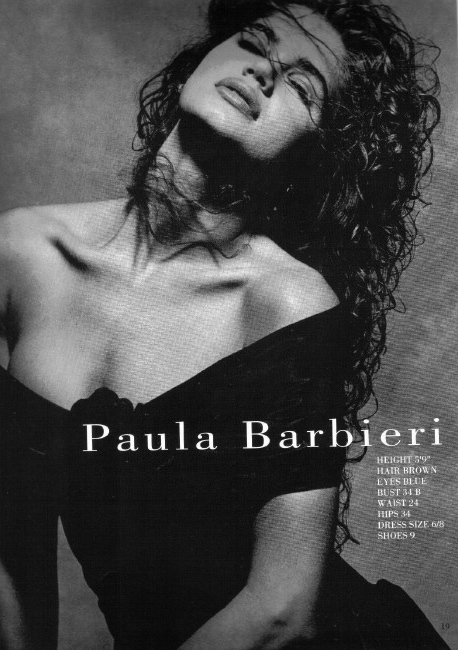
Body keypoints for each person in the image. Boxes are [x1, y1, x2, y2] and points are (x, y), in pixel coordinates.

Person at [0, 0, 443, 648]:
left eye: (302, 86)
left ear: (316, 156)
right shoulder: (20, 253)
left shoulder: (287, 303)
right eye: (255, 43)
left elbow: (283, 610)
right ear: (193, 66)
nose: (264, 71)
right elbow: (13, 551)